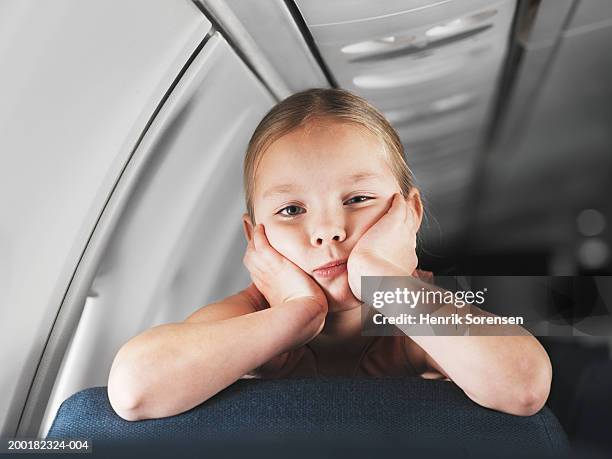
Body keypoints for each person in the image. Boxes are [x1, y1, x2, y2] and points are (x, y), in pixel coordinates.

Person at [107, 88, 552, 422]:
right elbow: (134, 389)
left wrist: (382, 279)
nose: (328, 231)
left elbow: (524, 385)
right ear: (255, 235)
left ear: (410, 213)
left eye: (357, 199)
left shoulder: (416, 312)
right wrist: (297, 315)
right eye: (291, 210)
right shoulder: (250, 315)